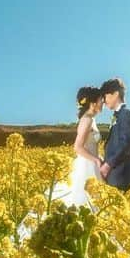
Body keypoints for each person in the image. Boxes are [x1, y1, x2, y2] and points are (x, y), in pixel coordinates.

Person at [17, 87, 104, 240]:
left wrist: (97, 157)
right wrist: (96, 159)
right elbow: (77, 147)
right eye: (100, 100)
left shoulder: (91, 118)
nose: (102, 102)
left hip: (91, 164)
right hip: (87, 166)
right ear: (92, 102)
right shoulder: (87, 119)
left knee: (92, 203)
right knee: (82, 201)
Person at [99, 77, 130, 191]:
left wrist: (107, 165)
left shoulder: (126, 114)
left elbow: (125, 144)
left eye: (105, 96)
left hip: (122, 176)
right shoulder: (119, 114)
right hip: (117, 174)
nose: (103, 100)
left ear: (116, 94)